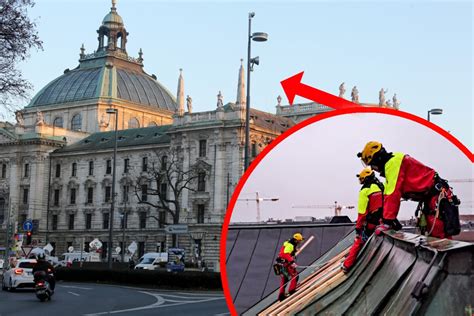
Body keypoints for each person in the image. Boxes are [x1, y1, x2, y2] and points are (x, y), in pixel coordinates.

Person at [357, 141, 460, 238]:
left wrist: (387, 222)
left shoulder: (393, 164)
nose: (372, 168)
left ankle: (448, 256)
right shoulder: (393, 162)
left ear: (377, 159)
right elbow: (387, 194)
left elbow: (392, 194)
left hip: (436, 196)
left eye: (372, 164)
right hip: (431, 197)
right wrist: (384, 218)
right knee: (434, 231)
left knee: (439, 234)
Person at [342, 167, 383, 273]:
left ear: (365, 178)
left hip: (370, 223)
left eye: (361, 179)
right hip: (381, 222)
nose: (360, 181)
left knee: (358, 241)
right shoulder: (379, 187)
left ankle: (347, 265)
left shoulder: (365, 190)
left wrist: (358, 228)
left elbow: (362, 213)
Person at [276, 233, 304, 301]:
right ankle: (291, 290)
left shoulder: (289, 244)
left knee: (284, 279)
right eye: (299, 241)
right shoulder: (290, 245)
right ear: (296, 240)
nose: (300, 242)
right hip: (286, 263)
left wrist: (295, 251)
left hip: (281, 263)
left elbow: (288, 251)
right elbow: (285, 254)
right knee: (295, 275)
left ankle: (281, 295)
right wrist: (292, 262)